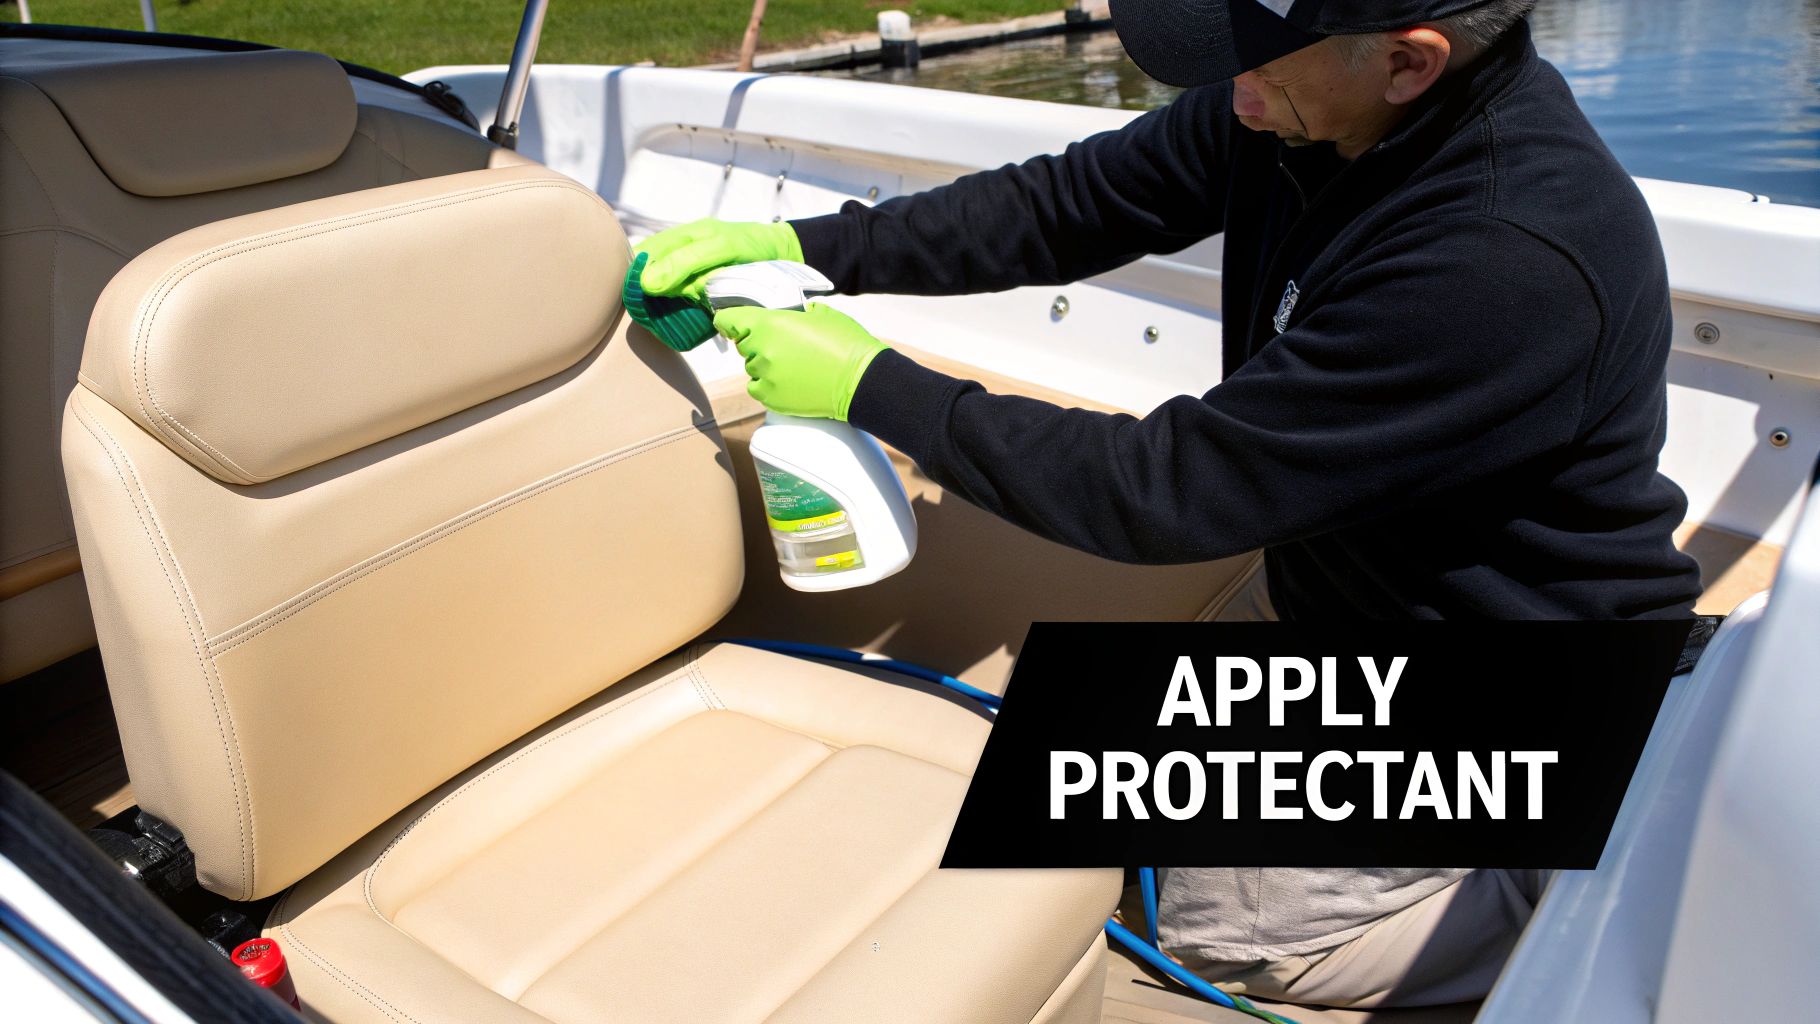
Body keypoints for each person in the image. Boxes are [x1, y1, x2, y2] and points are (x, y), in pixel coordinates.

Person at [634, 0, 1701, 1008]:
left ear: (1408, 61)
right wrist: (810, 251)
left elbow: (1170, 490)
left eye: (1255, 68)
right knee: (1080, 775)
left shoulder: (1498, 256)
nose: (1228, 96)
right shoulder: (1305, 92)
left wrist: (873, 386)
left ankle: (1584, 874)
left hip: (1506, 678)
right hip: (1341, 590)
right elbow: (1066, 203)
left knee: (1216, 932)